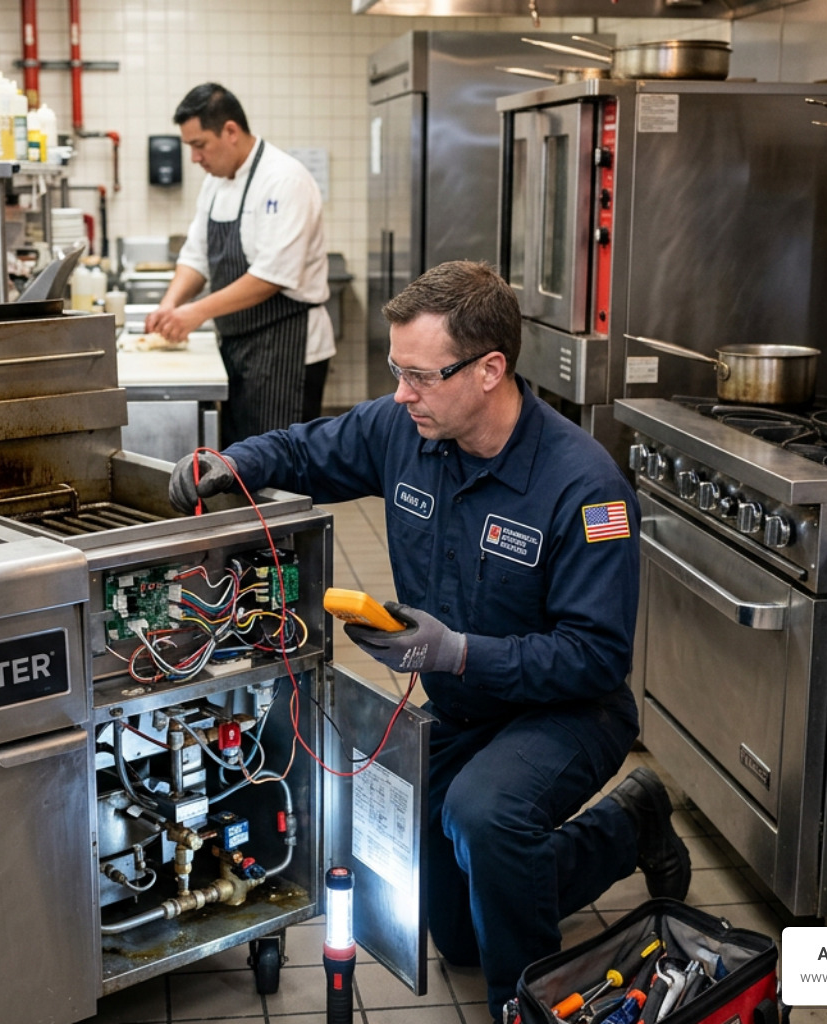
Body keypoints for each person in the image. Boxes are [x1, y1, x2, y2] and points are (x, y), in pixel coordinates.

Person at [167, 261, 691, 1023]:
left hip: (569, 712)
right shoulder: (405, 430)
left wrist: (457, 653)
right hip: (468, 711)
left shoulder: (585, 488)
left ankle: (527, 1006)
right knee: (462, 935)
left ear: (489, 370)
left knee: (485, 816)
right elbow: (312, 448)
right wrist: (233, 462)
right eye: (396, 372)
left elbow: (598, 657)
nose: (401, 392)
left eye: (419, 376)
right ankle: (630, 825)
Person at [145, 83, 333, 442]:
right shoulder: (215, 184)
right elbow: (196, 256)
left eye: (199, 146)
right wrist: (170, 305)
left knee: (281, 469)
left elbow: (271, 276)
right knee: (244, 462)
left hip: (286, 352)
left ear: (230, 131)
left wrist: (194, 313)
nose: (194, 159)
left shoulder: (284, 179)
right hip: (238, 344)